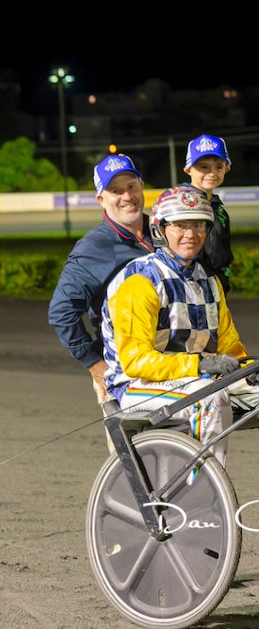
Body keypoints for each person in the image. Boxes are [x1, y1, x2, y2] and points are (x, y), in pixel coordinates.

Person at [100, 186, 248, 464]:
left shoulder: (210, 281)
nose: (191, 234)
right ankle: (202, 497)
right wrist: (200, 364)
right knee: (210, 401)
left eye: (198, 225)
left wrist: (258, 371)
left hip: (192, 379)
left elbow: (232, 349)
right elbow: (136, 362)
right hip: (134, 386)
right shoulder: (140, 281)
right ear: (160, 229)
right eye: (180, 225)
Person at [48, 154, 155, 411]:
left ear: (141, 186)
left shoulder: (164, 230)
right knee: (138, 452)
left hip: (172, 365)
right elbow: (61, 311)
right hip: (124, 374)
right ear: (101, 199)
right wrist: (95, 364)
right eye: (116, 191)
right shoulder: (94, 248)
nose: (127, 197)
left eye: (131, 186)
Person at [184, 134, 234, 295]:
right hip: (189, 290)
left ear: (227, 168)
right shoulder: (179, 205)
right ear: (188, 169)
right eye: (204, 167)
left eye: (218, 166)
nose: (212, 172)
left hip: (217, 289)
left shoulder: (219, 209)